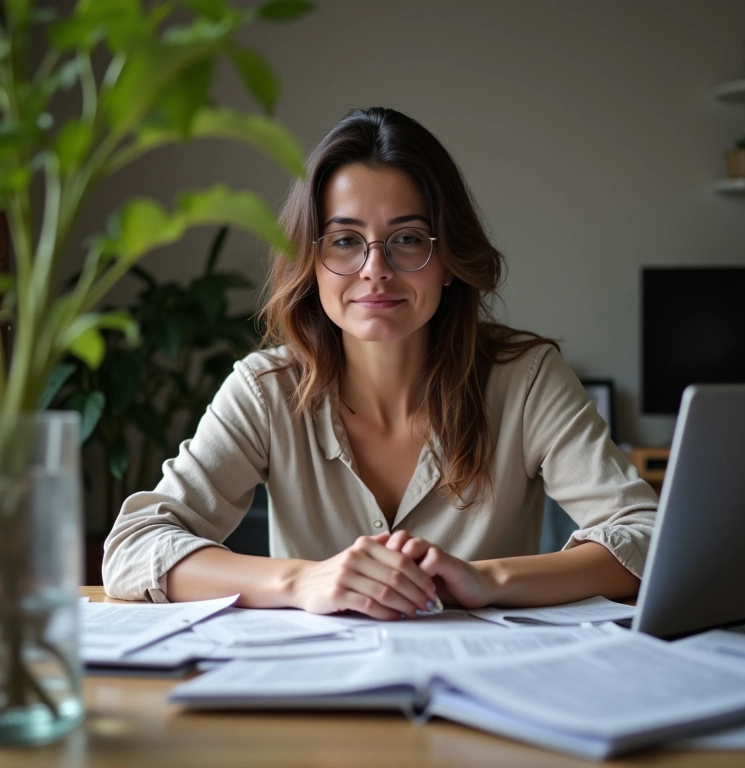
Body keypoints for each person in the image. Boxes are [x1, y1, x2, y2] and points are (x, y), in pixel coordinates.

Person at [103, 107, 657, 619]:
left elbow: (649, 533)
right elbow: (134, 548)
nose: (375, 269)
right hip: (317, 698)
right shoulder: (265, 389)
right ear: (311, 262)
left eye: (408, 238)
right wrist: (302, 582)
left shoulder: (526, 379)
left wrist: (489, 579)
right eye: (345, 240)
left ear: (448, 261)